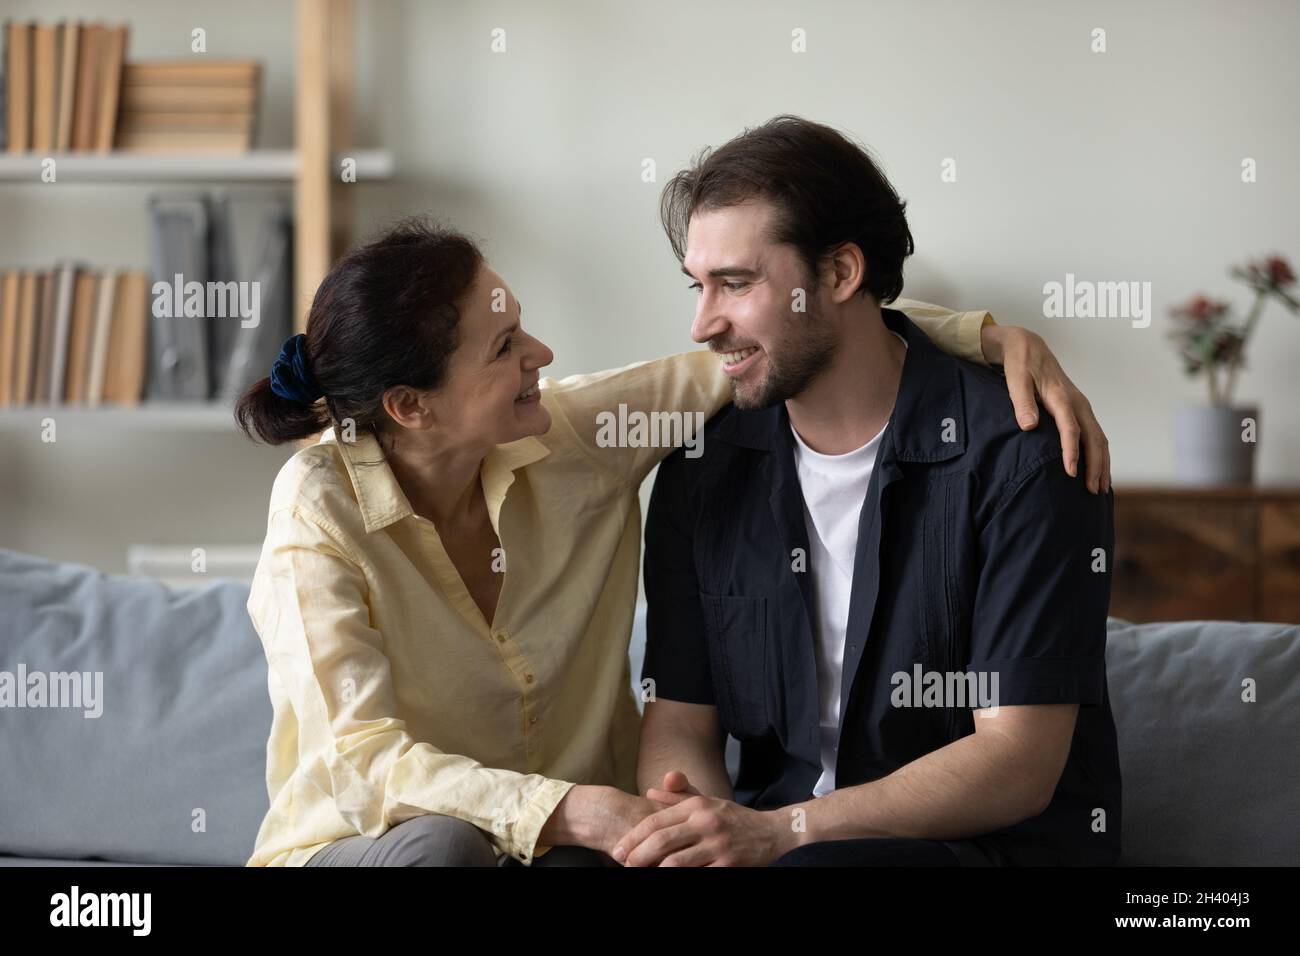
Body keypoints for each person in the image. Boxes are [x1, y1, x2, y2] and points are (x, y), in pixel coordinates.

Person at [235, 193, 1109, 869]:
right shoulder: (318, 509)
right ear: (410, 407)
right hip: (385, 843)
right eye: (503, 346)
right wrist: (572, 807)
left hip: (580, 851)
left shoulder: (572, 438)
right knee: (445, 848)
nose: (541, 352)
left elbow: (770, 347)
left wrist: (991, 338)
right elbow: (366, 758)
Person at [626, 115, 1121, 867]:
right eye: (698, 286)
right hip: (774, 845)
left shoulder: (1021, 456)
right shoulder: (704, 467)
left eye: (736, 283)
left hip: (979, 849)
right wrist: (692, 837)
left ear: (839, 274)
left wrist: (778, 833)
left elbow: (1017, 761)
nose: (702, 324)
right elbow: (680, 723)